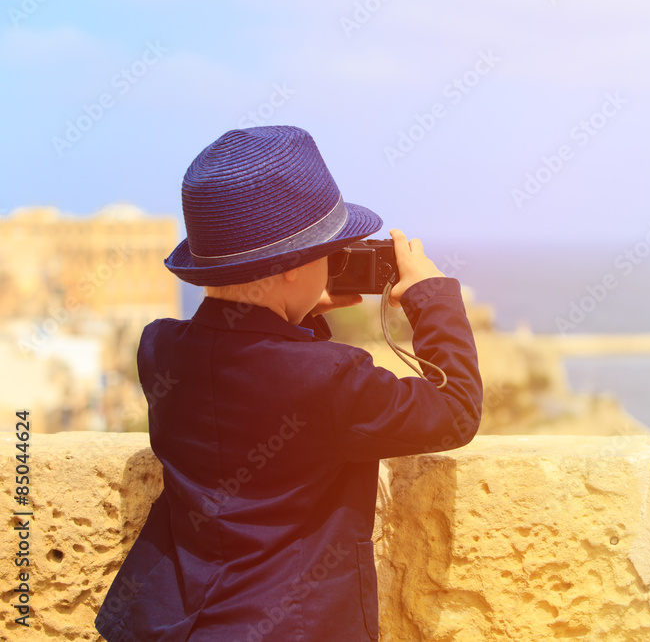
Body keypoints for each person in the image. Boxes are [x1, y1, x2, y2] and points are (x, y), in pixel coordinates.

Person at [94, 125, 483, 641]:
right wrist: (432, 298)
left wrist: (294, 313)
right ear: (291, 269)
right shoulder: (333, 379)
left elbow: (251, 373)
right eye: (328, 250)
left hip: (168, 622)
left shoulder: (160, 348)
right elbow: (455, 410)